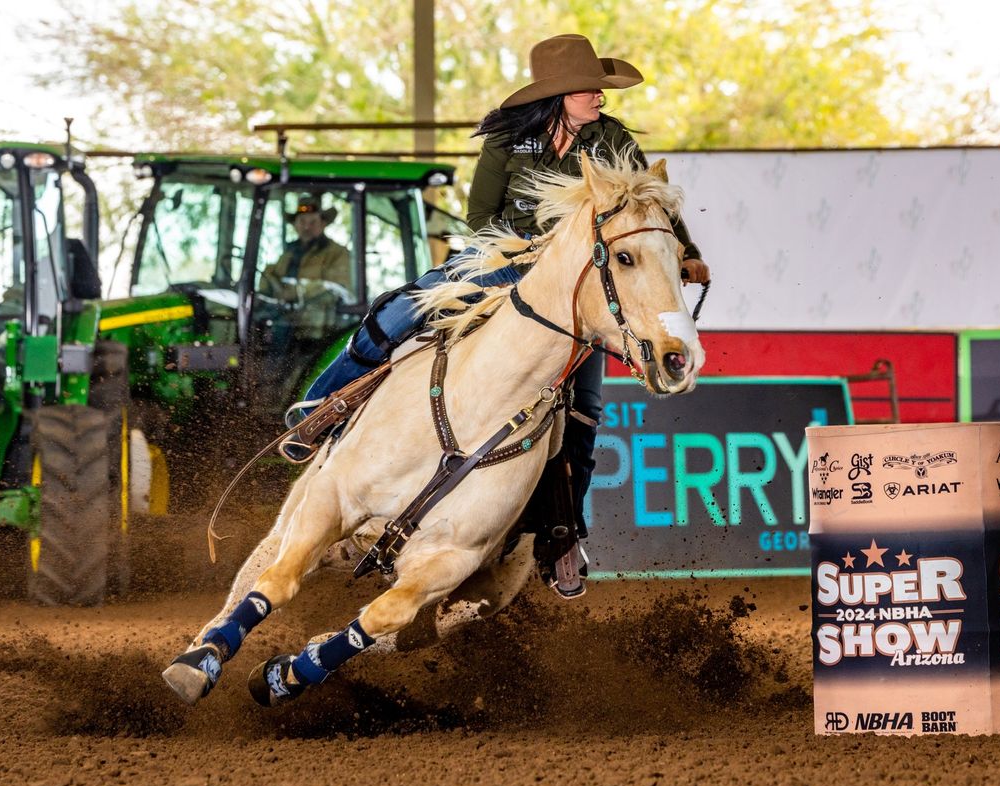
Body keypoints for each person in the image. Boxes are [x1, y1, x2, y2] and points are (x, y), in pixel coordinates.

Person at [301, 33, 711, 595]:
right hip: (503, 262)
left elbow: (647, 203)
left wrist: (685, 252)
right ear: (560, 94)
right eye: (588, 87)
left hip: (575, 288)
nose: (599, 95)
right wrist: (522, 258)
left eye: (597, 86)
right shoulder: (508, 138)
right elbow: (479, 216)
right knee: (403, 307)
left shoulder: (611, 138)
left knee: (585, 411)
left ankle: (562, 534)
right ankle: (321, 405)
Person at [260, 194, 351, 300]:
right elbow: (269, 278)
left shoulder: (338, 253)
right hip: (281, 315)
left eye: (313, 222)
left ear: (323, 224)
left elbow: (336, 289)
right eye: (302, 221)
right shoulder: (287, 253)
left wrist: (295, 292)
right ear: (295, 224)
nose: (307, 227)